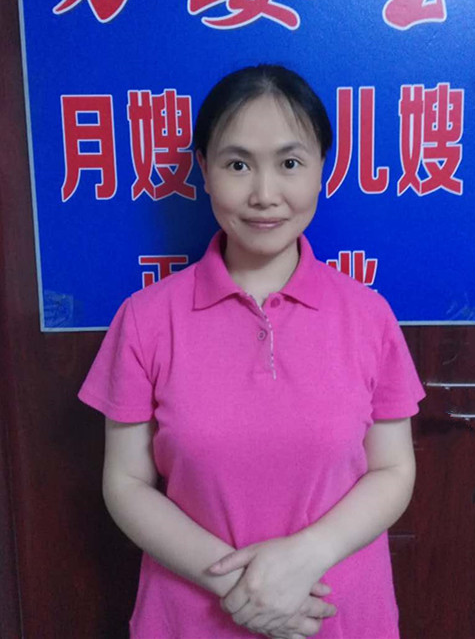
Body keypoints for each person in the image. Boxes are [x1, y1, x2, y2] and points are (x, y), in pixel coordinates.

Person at [78, 64, 425, 639]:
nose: (265, 195)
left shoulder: (369, 315)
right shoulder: (146, 319)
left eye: (290, 164)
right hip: (192, 617)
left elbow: (393, 469)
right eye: (237, 165)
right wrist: (243, 587)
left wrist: (305, 557)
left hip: (336, 615)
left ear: (322, 169)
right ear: (204, 171)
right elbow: (126, 484)